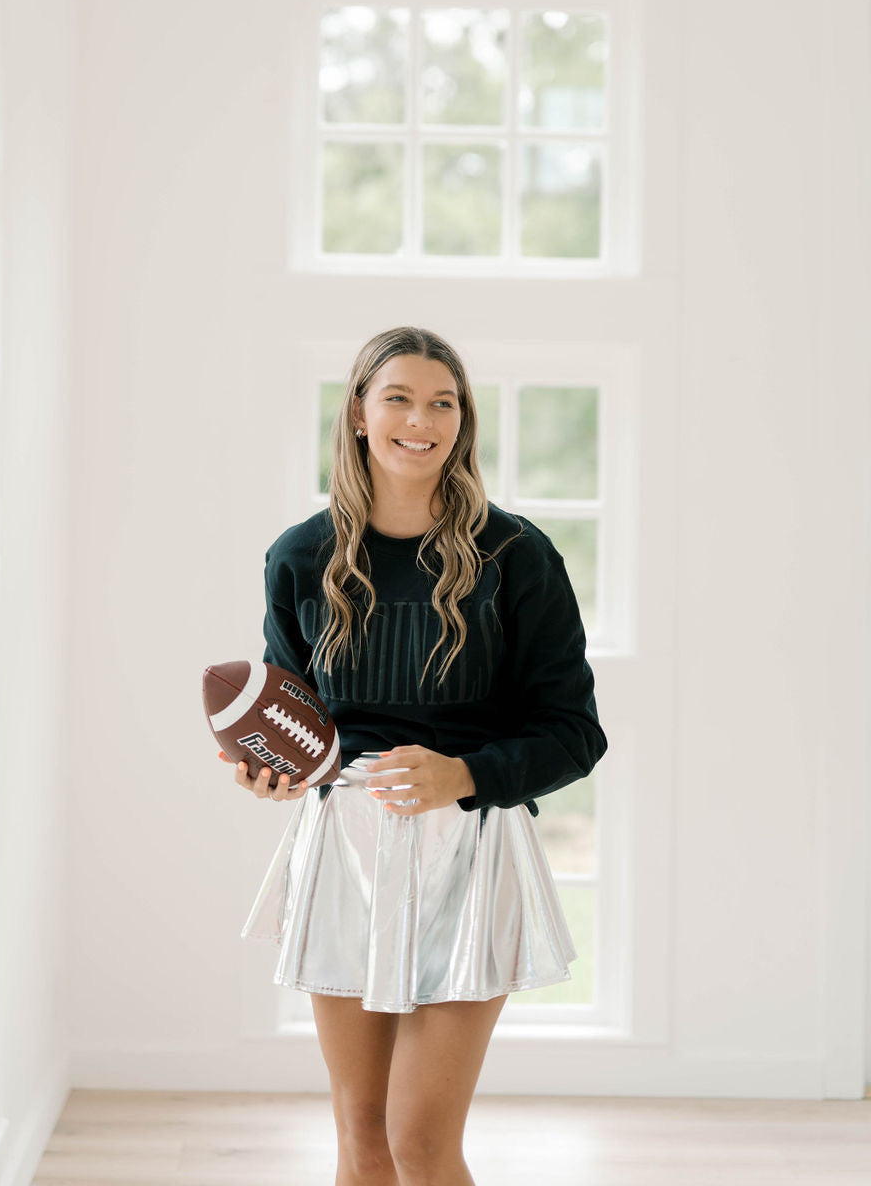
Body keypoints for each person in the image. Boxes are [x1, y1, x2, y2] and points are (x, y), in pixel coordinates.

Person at [218, 325, 607, 1186]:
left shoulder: (518, 558)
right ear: (359, 413)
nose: (420, 419)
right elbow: (303, 727)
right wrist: (272, 772)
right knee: (360, 1141)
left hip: (469, 852)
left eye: (443, 403)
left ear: (462, 422)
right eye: (398, 397)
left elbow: (577, 733)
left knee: (421, 1146)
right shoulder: (300, 557)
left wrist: (463, 775)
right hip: (344, 852)